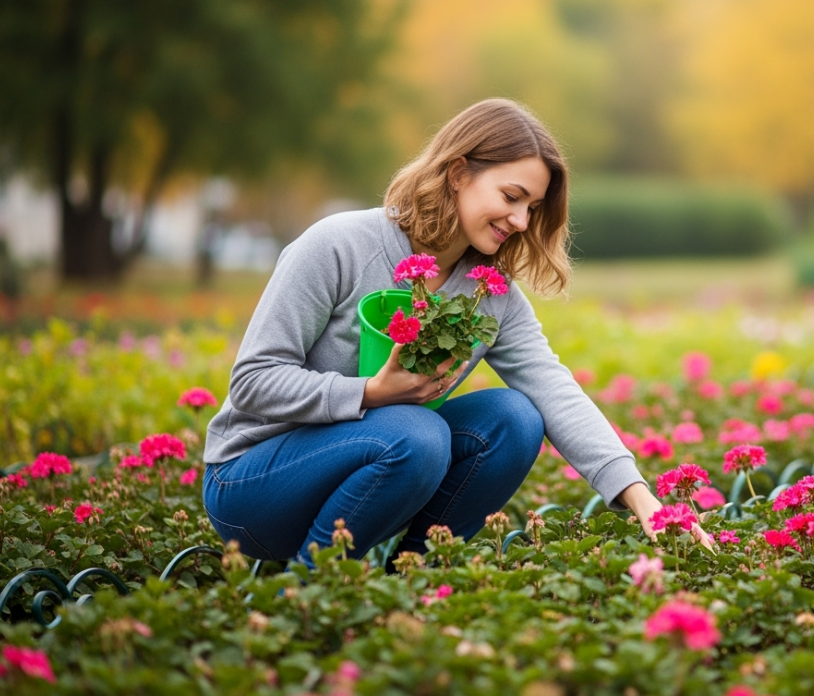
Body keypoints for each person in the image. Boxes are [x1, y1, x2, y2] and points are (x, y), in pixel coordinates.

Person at [201, 98, 669, 568]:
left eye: (532, 207)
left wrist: (642, 499)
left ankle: (415, 578)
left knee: (515, 418)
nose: (522, 221)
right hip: (251, 488)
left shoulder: (490, 291)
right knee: (418, 432)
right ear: (459, 172)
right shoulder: (338, 245)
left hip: (372, 475)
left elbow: (554, 389)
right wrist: (369, 392)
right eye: (511, 197)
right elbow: (252, 381)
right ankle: (306, 593)